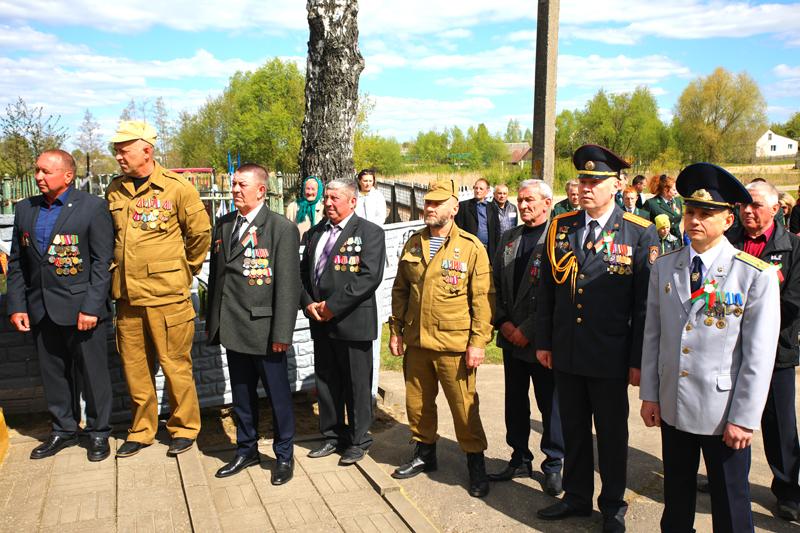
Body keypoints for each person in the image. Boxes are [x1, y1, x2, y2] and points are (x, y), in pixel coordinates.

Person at [640, 163, 780, 533]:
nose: (695, 221)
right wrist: (650, 394)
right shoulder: (665, 267)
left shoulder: (753, 274)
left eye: (706, 214)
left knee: (730, 502)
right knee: (676, 498)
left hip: (723, 412)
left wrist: (745, 417)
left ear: (728, 220)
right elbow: (653, 335)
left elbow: (759, 355)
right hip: (674, 403)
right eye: (690, 212)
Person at [535, 144, 658, 532]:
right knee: (572, 429)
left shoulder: (638, 232)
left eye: (595, 181)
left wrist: (638, 361)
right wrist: (545, 342)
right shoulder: (562, 225)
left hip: (610, 355)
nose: (586, 188)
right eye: (583, 181)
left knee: (611, 435)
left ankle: (613, 505)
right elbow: (547, 291)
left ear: (616, 185)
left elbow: (644, 306)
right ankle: (575, 496)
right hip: (568, 350)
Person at [106, 120, 212, 458]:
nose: (118, 156)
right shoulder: (115, 189)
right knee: (135, 368)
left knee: (175, 365)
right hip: (127, 297)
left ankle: (184, 428)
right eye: (117, 150)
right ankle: (141, 431)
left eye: (124, 150)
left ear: (147, 150)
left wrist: (184, 270)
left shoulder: (177, 188)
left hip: (167, 296)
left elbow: (200, 234)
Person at [6, 150, 114, 462]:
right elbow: (18, 263)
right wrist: (17, 305)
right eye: (37, 170)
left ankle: (98, 432)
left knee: (93, 375)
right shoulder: (25, 208)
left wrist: (92, 307)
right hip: (41, 308)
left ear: (67, 175)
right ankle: (64, 429)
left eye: (45, 172)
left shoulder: (92, 207)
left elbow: (101, 263)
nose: (38, 177)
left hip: (82, 310)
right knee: (53, 374)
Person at [389, 179, 494, 498]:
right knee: (417, 403)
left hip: (453, 346)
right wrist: (396, 330)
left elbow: (482, 299)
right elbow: (400, 290)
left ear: (454, 208)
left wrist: (478, 343)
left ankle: (476, 463)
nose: (430, 208)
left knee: (464, 407)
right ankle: (425, 453)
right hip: (418, 342)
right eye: (427, 203)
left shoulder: (471, 247)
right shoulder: (413, 243)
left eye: (437, 203)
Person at [205, 164, 300, 484]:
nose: (234, 189)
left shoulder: (280, 228)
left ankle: (284, 455)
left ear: (261, 190)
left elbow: (288, 286)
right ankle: (246, 450)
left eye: (241, 184)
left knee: (277, 396)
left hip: (265, 330)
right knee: (242, 396)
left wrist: (282, 333)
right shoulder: (223, 224)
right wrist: (214, 321)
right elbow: (217, 277)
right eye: (233, 184)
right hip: (233, 327)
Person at [724, 180, 800, 521]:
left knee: (779, 424)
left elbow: (793, 302)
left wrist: (749, 319)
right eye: (743, 205)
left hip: (775, 353)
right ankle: (724, 477)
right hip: (728, 350)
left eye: (755, 205)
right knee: (725, 417)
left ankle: (788, 491)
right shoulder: (728, 241)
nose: (748, 211)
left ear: (775, 208)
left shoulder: (792, 248)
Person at [300, 179, 386, 465]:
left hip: (352, 322)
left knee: (356, 385)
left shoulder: (370, 232)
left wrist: (332, 307)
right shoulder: (315, 233)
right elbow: (303, 273)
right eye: (326, 198)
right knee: (327, 382)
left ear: (352, 201)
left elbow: (369, 277)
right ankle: (332, 435)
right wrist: (308, 303)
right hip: (320, 321)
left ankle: (359, 440)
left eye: (334, 198)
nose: (328, 203)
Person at [489, 179, 564, 496]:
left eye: (530, 200)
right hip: (510, 337)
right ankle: (519, 457)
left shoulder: (560, 239)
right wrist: (503, 322)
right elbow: (493, 285)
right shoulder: (509, 238)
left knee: (550, 406)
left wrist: (528, 330)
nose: (523, 205)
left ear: (547, 203)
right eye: (520, 200)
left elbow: (559, 294)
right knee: (515, 402)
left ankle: (554, 464)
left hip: (542, 341)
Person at [454, 178, 501, 261]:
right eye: (476, 188)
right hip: (469, 249)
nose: (478, 191)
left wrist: (497, 250)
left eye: (481, 189)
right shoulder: (463, 206)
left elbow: (497, 230)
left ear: (487, 191)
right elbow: (458, 229)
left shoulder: (493, 207)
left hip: (488, 250)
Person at [643, 174, 683, 241]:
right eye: (674, 190)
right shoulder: (651, 203)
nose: (676, 192)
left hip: (676, 241)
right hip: (659, 241)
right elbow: (644, 224)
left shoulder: (677, 201)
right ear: (665, 189)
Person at [285, 175, 325, 240]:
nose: (310, 192)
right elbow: (287, 230)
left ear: (318, 191)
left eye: (313, 189)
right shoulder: (293, 207)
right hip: (298, 244)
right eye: (307, 188)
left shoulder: (324, 207)